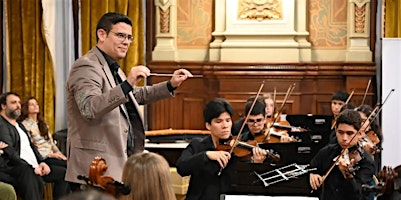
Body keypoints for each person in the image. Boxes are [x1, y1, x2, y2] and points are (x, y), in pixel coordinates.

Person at [65, 12, 192, 186]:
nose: (126, 42)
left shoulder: (112, 67)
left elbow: (132, 96)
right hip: (93, 169)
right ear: (102, 35)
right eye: (120, 35)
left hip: (114, 165)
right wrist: (128, 83)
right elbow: (89, 108)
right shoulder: (86, 66)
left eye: (129, 37)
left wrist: (170, 85)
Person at [176, 98, 267, 200]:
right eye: (219, 121)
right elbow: (181, 167)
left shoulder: (238, 149)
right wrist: (206, 155)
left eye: (228, 120)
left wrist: (255, 164)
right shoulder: (197, 145)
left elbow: (247, 184)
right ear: (208, 125)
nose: (225, 126)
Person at [0, 92, 70, 200]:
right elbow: (10, 152)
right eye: (14, 103)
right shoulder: (2, 125)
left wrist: (41, 162)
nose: (18, 105)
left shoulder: (19, 125)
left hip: (35, 165)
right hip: (20, 168)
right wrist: (33, 167)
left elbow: (32, 147)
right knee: (29, 173)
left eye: (19, 102)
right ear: (3, 106)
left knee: (65, 173)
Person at [309, 109, 375, 200]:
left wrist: (348, 175)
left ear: (360, 133)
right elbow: (311, 168)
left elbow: (358, 195)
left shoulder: (366, 162)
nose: (344, 138)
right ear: (336, 130)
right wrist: (312, 174)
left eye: (350, 133)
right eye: (340, 132)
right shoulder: (326, 152)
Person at [18, 97, 67, 168]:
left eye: (36, 104)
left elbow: (51, 143)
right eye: (32, 104)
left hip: (52, 155)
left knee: (70, 165)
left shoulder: (43, 124)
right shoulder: (24, 125)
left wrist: (60, 154)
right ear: (26, 108)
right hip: (42, 158)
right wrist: (49, 155)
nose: (35, 106)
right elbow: (31, 146)